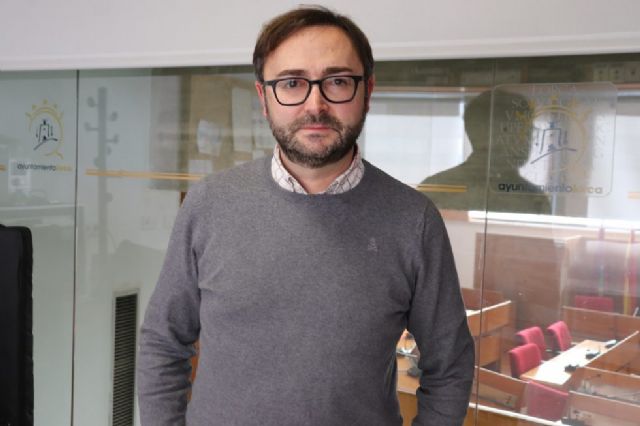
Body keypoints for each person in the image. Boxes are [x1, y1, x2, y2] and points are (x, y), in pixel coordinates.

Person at [137, 6, 474, 426]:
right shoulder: (208, 205)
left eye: (337, 81)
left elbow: (450, 366)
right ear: (263, 98)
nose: (316, 105)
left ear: (367, 91)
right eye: (292, 83)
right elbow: (163, 343)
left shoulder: (414, 221)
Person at [420, 90, 552, 214]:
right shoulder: (534, 200)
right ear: (495, 134)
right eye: (524, 131)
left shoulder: (434, 187)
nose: (530, 139)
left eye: (529, 131)